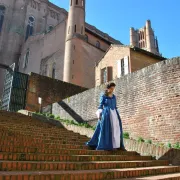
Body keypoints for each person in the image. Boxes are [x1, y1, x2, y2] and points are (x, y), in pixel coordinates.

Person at [86, 82, 126, 151]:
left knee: (116, 129)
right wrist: (99, 114)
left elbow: (115, 106)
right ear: (108, 88)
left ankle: (115, 145)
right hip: (107, 114)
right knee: (106, 129)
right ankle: (106, 145)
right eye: (111, 88)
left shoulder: (114, 96)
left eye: (113, 88)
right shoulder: (103, 95)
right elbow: (101, 105)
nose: (112, 90)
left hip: (114, 114)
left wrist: (117, 114)